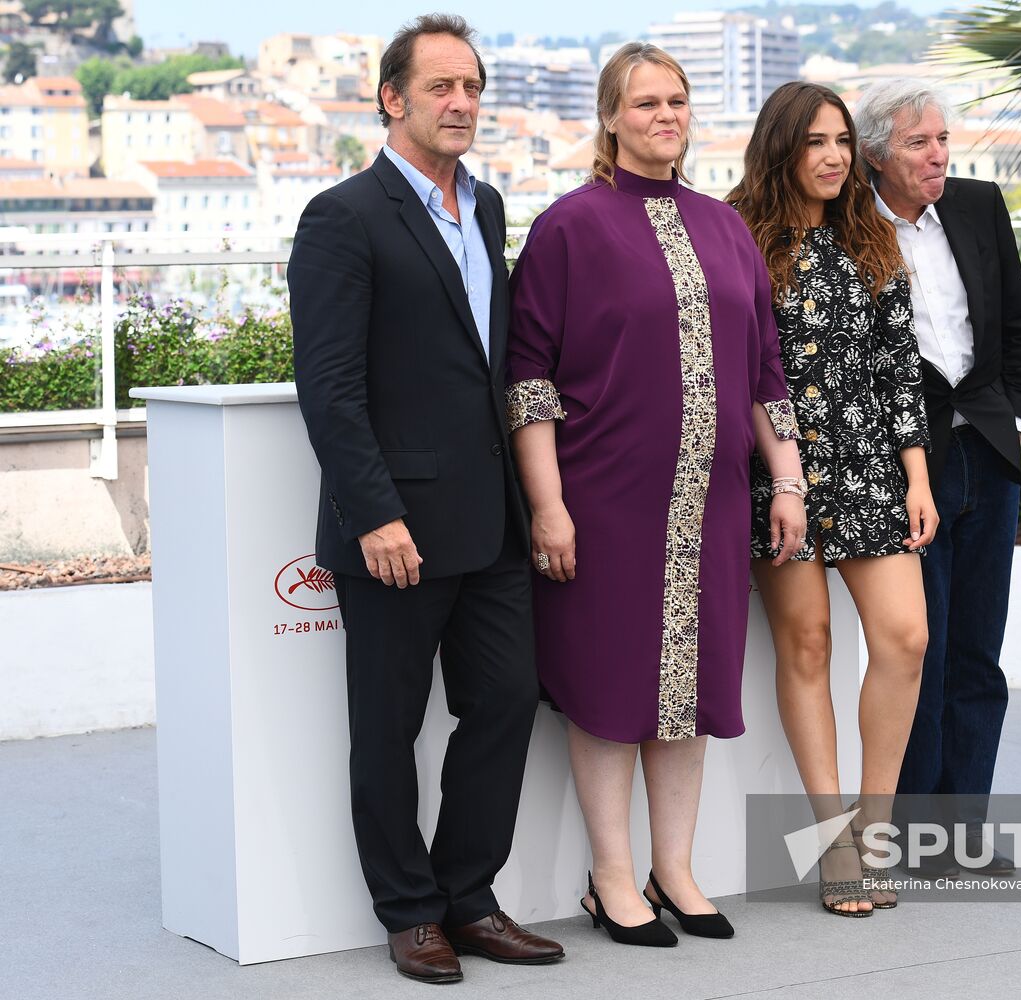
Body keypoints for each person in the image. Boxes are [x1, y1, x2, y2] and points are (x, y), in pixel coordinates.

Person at [506, 42, 805, 947]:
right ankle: (608, 878)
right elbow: (529, 380)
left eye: (676, 101)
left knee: (690, 689)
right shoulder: (568, 227)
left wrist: (787, 479)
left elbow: (764, 371)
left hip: (709, 506)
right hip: (603, 505)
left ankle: (673, 869)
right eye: (644, 103)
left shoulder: (725, 228)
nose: (664, 116)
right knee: (609, 686)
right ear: (610, 117)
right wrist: (548, 506)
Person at [288, 14, 563, 984]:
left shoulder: (484, 206)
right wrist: (373, 513)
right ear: (391, 99)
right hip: (394, 527)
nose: (462, 103)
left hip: (490, 522)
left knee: (505, 700)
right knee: (389, 726)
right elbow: (329, 385)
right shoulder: (343, 216)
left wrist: (535, 503)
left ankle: (468, 897)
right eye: (441, 86)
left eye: (473, 87)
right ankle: (407, 913)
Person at [727, 81, 935, 916]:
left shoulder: (870, 237)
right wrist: (782, 476)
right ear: (782, 147)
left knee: (906, 639)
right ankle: (835, 844)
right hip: (777, 471)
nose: (834, 156)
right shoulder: (739, 238)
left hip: (872, 468)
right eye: (815, 141)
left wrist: (916, 476)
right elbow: (736, 365)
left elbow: (898, 368)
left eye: (843, 141)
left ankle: (874, 831)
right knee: (806, 645)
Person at [853, 79, 1021, 875]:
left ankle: (964, 829)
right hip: (905, 465)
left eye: (941, 139)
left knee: (976, 651)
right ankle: (907, 830)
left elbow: (1017, 325)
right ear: (876, 156)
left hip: (986, 454)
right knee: (913, 652)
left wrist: (1016, 418)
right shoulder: (846, 223)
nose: (938, 155)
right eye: (918, 143)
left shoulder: (976, 203)